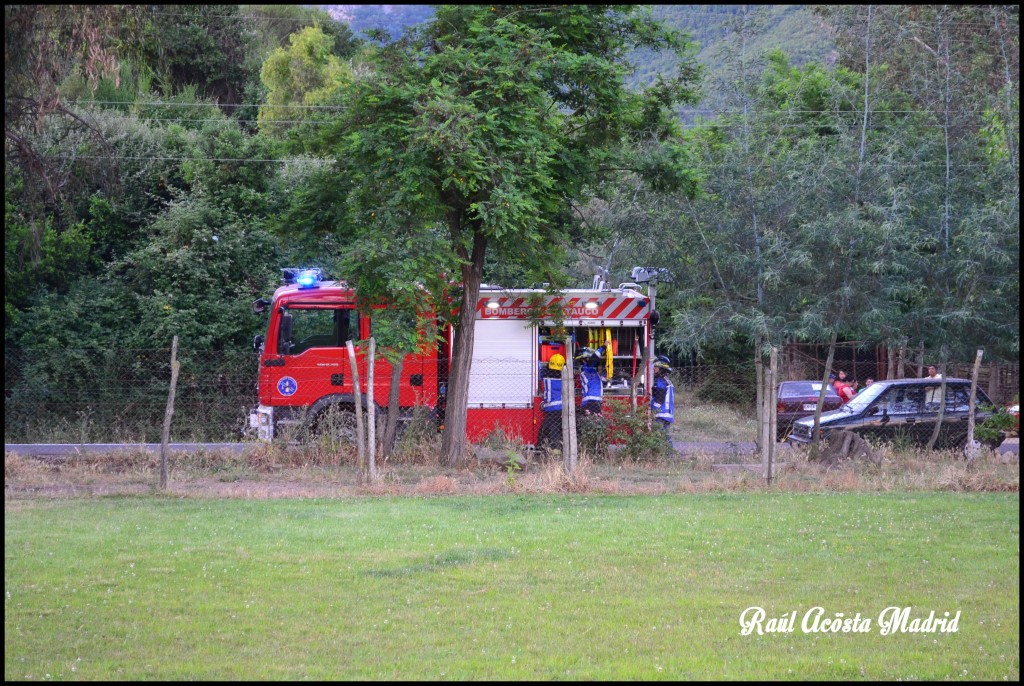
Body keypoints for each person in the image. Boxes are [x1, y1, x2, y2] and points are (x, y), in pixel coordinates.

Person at [575, 347, 606, 451]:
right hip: (591, 402)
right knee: (594, 427)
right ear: (585, 360)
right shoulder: (587, 368)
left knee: (593, 426)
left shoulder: (591, 370)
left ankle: (591, 450)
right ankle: (592, 450)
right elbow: (594, 358)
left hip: (593, 401)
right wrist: (603, 347)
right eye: (589, 359)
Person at [538, 353, 565, 451]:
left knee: (551, 429)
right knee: (554, 428)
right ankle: (550, 447)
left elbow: (539, 371)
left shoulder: (545, 377)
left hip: (550, 408)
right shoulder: (564, 379)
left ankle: (552, 448)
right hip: (560, 407)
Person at [651, 355, 676, 450]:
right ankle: (668, 455)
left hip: (661, 413)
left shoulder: (660, 382)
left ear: (661, 369)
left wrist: (653, 411)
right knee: (664, 436)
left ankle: (668, 455)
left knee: (659, 436)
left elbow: (659, 399)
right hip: (667, 413)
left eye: (656, 367)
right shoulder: (667, 381)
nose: (654, 369)